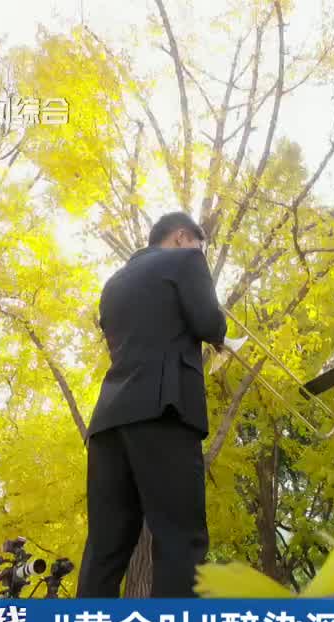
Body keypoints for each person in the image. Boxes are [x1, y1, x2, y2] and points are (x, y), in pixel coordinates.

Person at [77, 212, 228, 598]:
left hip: (109, 420)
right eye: (198, 244)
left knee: (105, 548)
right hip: (164, 409)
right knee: (181, 539)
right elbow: (210, 324)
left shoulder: (114, 283)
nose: (199, 251)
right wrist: (219, 333)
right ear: (181, 237)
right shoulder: (187, 260)